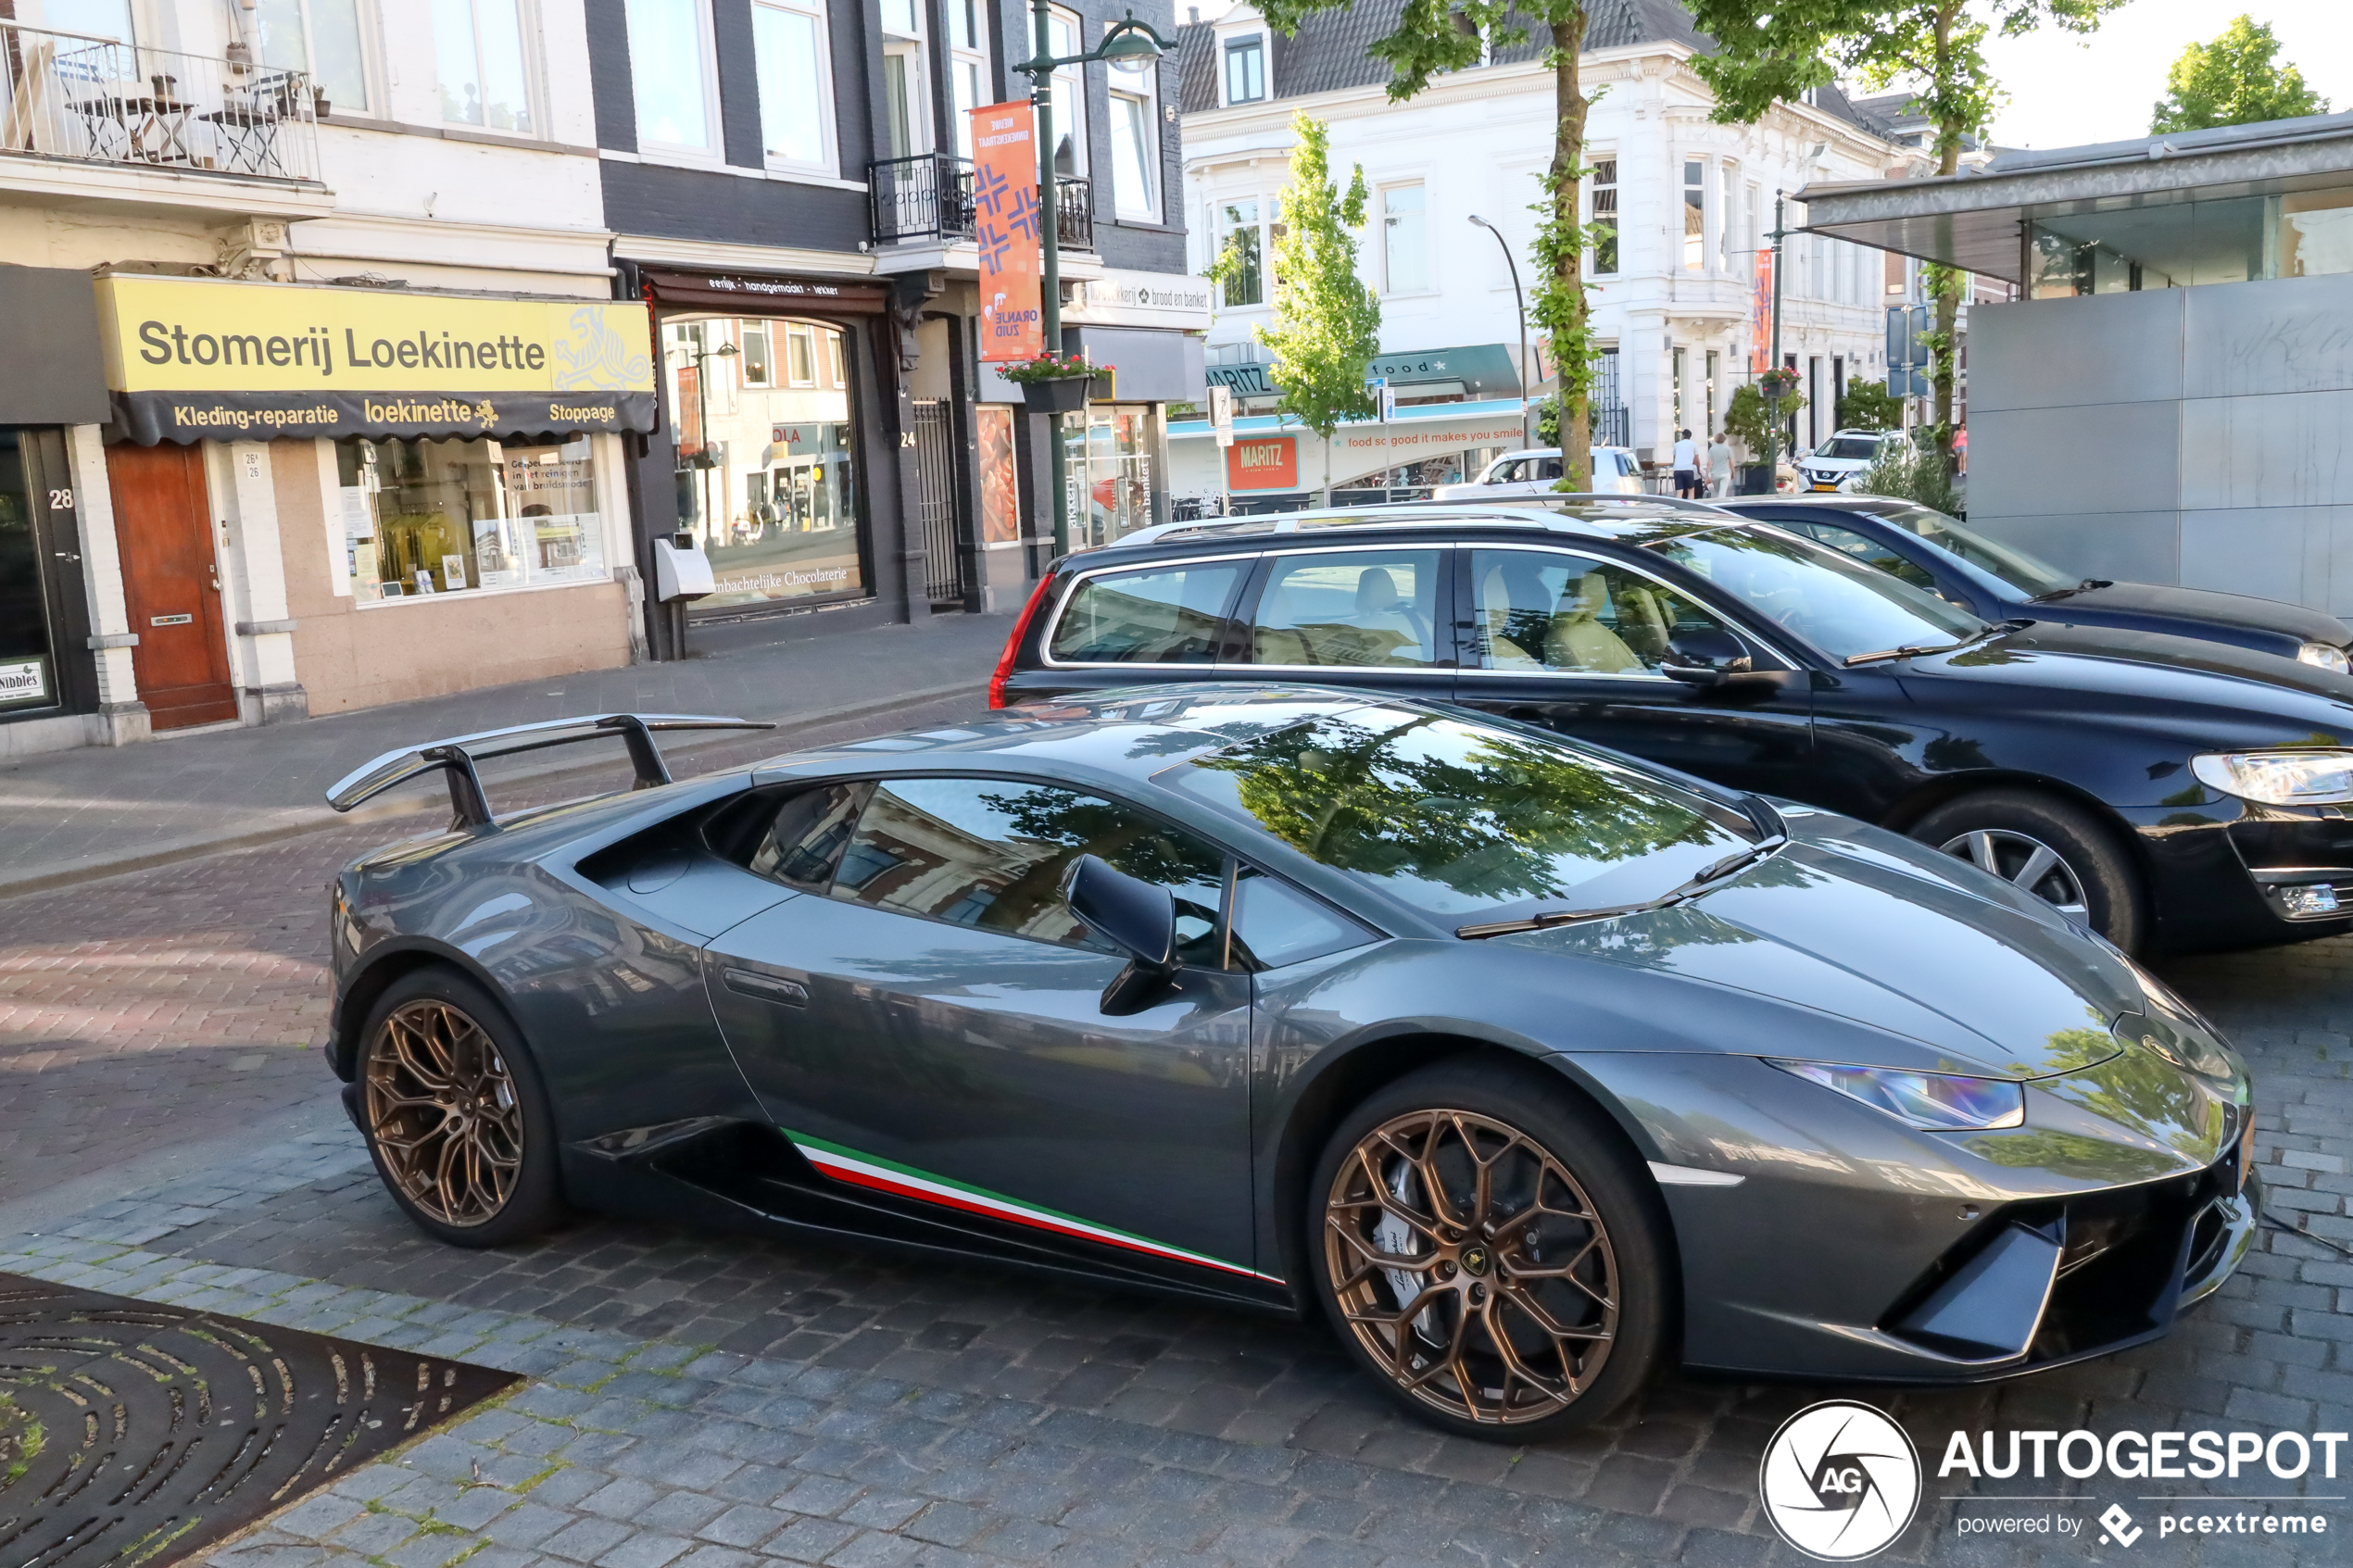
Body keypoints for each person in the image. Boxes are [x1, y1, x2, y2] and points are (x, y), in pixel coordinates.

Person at [1671, 429, 1701, 498]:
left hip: (1678, 469)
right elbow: (1697, 460)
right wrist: (1698, 470)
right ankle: (1690, 507)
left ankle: (1678, 505)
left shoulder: (1676, 445)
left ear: (1683, 435)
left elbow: (1675, 458)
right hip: (1688, 469)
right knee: (1691, 490)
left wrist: (1674, 468)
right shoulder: (1694, 445)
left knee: (1679, 491)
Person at [1707, 430, 1735, 497]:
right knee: (1722, 492)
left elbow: (1709, 463)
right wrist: (1733, 472)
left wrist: (1707, 475)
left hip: (1715, 474)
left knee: (1717, 491)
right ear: (1724, 440)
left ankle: (1718, 502)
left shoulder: (1712, 449)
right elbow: (1731, 462)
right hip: (1725, 473)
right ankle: (1721, 504)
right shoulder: (1727, 449)